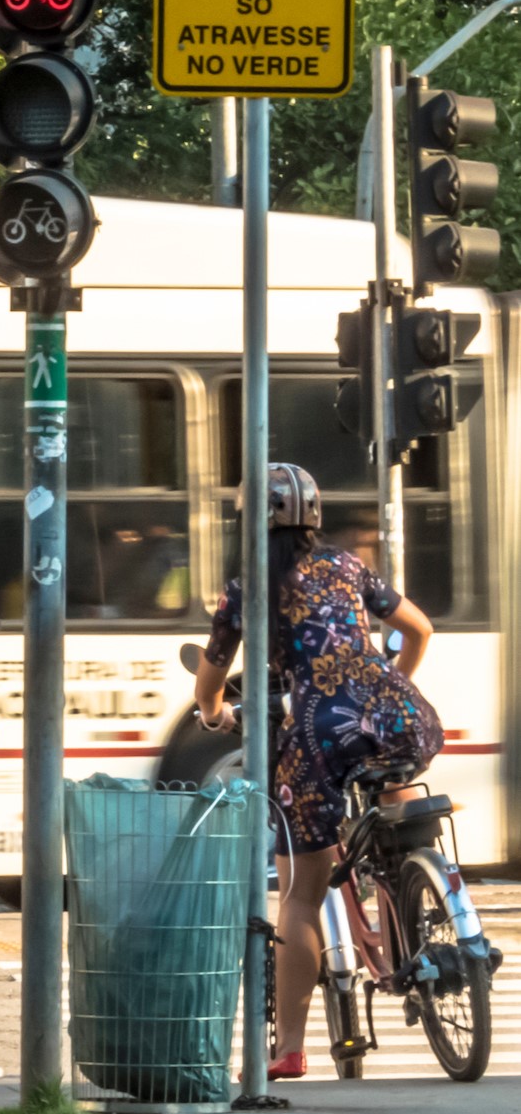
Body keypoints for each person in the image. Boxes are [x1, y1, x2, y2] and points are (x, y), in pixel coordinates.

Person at [193, 462, 441, 1080]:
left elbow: (212, 675)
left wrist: (213, 713)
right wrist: (388, 690)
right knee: (396, 797)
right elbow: (419, 628)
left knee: (301, 892)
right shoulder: (347, 566)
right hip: (400, 713)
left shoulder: (245, 588)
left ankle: (290, 1049)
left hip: (313, 732)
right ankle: (419, 886)